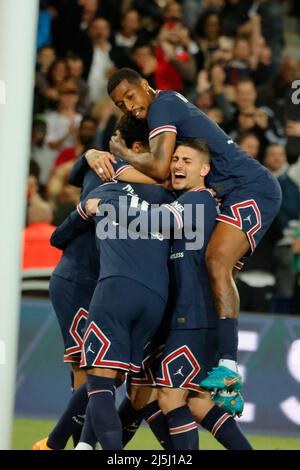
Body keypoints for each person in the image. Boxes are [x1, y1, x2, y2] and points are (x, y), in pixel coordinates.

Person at [95, 67, 282, 395]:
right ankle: (222, 373)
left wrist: (119, 152)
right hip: (229, 192)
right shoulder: (165, 109)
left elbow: (156, 166)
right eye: (120, 104)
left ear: (145, 85)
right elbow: (163, 175)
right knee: (206, 271)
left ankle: (227, 366)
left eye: (130, 96)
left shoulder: (163, 106)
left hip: (249, 188)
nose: (128, 106)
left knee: (215, 263)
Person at [31, 116, 168, 451]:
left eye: (118, 137)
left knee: (112, 375)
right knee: (91, 373)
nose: (112, 143)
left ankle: (67, 443)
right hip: (81, 280)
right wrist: (89, 156)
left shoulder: (149, 182)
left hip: (111, 285)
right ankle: (64, 443)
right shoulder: (108, 170)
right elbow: (67, 227)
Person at [106, 139, 252, 450]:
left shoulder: (197, 201)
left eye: (187, 160)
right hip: (186, 317)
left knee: (170, 397)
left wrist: (104, 207)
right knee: (197, 403)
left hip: (194, 317)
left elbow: (158, 221)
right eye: (174, 159)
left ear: (204, 169)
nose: (177, 165)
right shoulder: (191, 201)